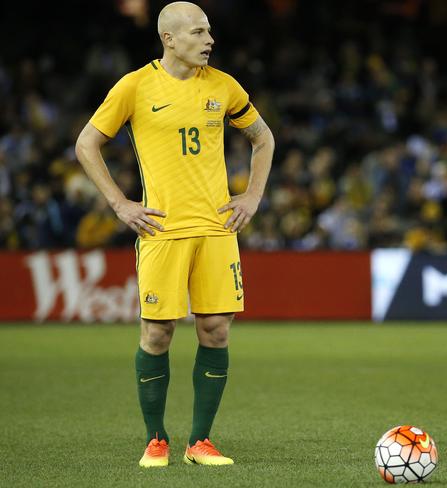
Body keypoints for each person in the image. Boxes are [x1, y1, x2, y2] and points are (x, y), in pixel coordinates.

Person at [75, 1, 274, 468]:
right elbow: (87, 143)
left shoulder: (223, 87)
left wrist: (252, 197)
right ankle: (156, 439)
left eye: (209, 31)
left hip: (216, 228)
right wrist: (120, 204)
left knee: (216, 330)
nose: (209, 40)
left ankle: (200, 442)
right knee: (158, 333)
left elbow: (263, 138)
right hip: (162, 231)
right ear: (170, 38)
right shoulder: (136, 86)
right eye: (199, 31)